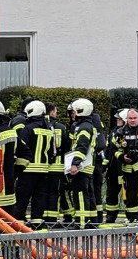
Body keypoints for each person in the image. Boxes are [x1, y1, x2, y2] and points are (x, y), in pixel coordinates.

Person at [13, 100, 53, 228]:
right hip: (44, 170)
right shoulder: (49, 130)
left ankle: (19, 222)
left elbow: (21, 149)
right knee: (39, 197)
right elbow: (53, 151)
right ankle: (37, 223)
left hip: (28, 169)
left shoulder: (27, 129)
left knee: (22, 198)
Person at [68, 98, 99, 229]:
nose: (73, 114)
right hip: (87, 165)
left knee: (80, 194)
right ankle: (92, 221)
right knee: (88, 193)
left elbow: (82, 147)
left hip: (81, 166)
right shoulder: (88, 125)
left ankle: (81, 223)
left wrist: (75, 164)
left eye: (74, 111)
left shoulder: (84, 127)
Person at [114, 108, 138, 224]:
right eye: (130, 118)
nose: (132, 120)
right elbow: (115, 150)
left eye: (134, 118)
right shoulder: (120, 132)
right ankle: (132, 218)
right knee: (131, 193)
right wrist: (122, 157)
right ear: (126, 119)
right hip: (128, 166)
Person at [0, 100, 20, 212]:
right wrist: (15, 172)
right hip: (8, 179)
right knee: (8, 215)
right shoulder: (11, 132)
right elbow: (25, 154)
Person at [44, 103, 69, 227]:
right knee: (55, 193)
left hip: (42, 166)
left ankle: (43, 218)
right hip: (58, 166)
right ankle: (52, 220)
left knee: (43, 192)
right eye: (56, 111)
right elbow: (66, 147)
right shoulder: (61, 127)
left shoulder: (42, 125)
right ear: (52, 112)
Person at [104, 109, 128, 225]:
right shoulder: (114, 132)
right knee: (111, 193)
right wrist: (105, 164)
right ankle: (110, 216)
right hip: (113, 167)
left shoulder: (128, 132)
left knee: (127, 194)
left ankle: (130, 218)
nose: (117, 120)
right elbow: (109, 149)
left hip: (124, 168)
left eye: (120, 119)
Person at [91, 108, 109, 225]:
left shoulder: (88, 123)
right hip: (98, 163)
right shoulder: (98, 123)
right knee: (96, 191)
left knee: (91, 191)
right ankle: (98, 217)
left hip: (92, 163)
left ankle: (94, 218)